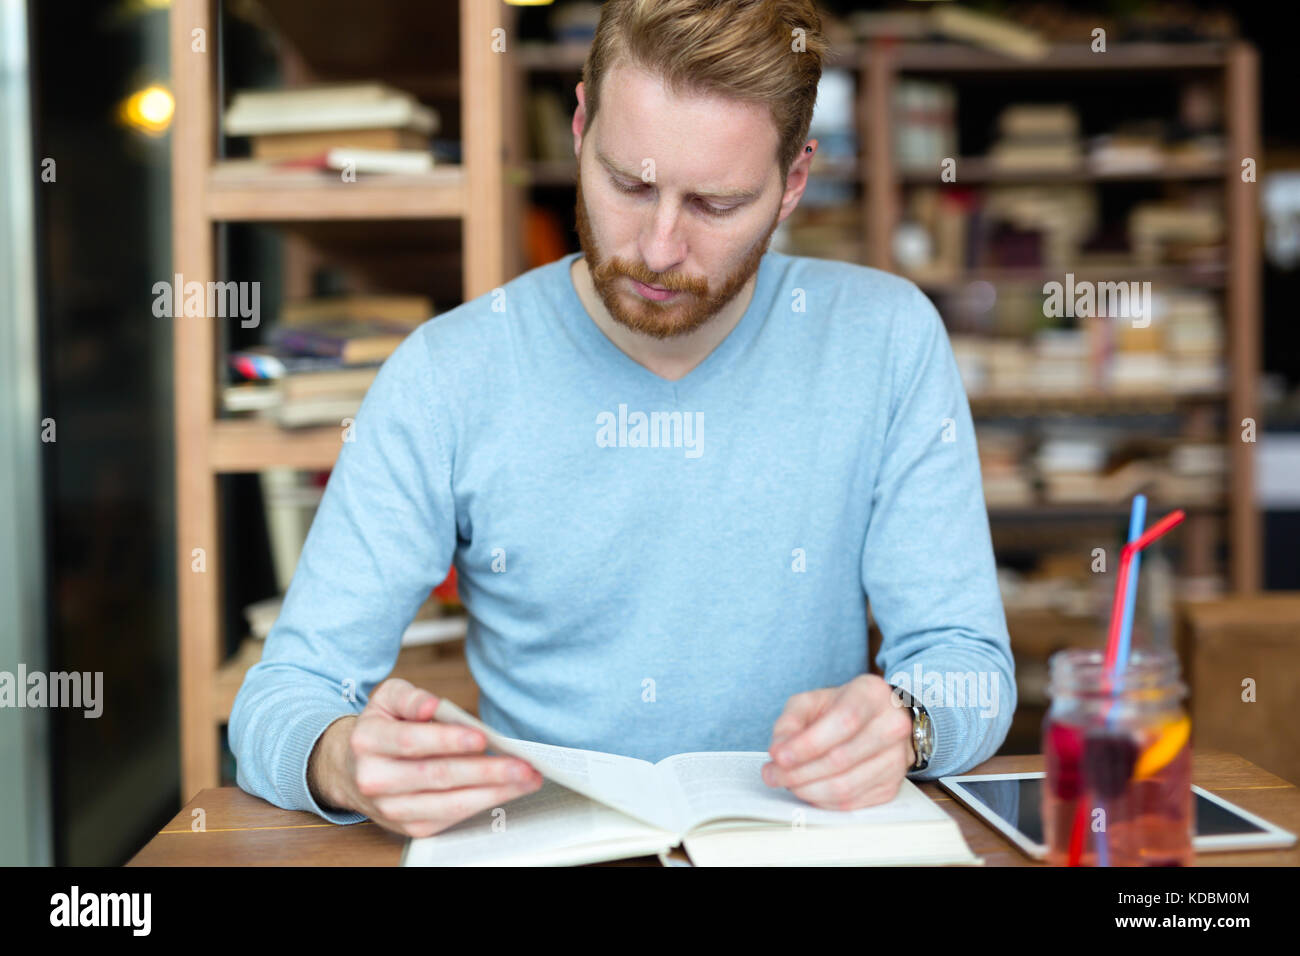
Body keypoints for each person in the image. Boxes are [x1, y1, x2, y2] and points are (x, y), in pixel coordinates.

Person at [230, 0, 1015, 839]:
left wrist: (908, 722)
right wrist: (341, 758)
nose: (658, 248)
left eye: (715, 204)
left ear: (792, 183)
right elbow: (282, 696)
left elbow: (969, 667)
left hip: (799, 844)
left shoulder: (884, 338)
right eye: (629, 183)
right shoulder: (447, 373)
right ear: (579, 126)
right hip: (540, 848)